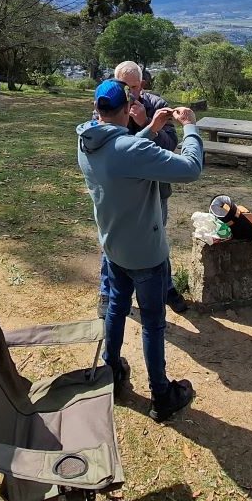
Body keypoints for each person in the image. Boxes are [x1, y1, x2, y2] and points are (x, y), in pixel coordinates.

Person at [77, 78, 204, 422]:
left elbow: (122, 153)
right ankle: (161, 395)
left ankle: (112, 371)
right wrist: (190, 126)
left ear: (98, 109)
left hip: (114, 245)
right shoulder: (130, 151)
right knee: (152, 323)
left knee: (116, 308)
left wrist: (150, 127)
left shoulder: (86, 139)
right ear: (123, 110)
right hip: (146, 252)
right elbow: (190, 168)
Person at [96, 60, 188, 316]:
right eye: (124, 87)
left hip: (155, 190)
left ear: (142, 85)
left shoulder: (157, 105)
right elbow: (102, 144)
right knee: (111, 241)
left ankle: (167, 288)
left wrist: (146, 121)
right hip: (118, 192)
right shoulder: (108, 103)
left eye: (134, 87)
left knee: (156, 240)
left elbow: (170, 145)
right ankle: (106, 292)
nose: (129, 93)